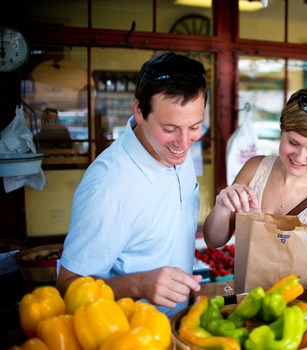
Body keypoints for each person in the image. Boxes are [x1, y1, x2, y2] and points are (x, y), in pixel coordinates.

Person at [56, 52, 207, 318]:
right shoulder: (107, 188)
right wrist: (138, 284)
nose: (184, 143)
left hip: (175, 327)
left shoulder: (174, 152)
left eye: (195, 126)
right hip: (126, 335)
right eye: (170, 129)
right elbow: (67, 289)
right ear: (139, 111)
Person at [204, 86, 307, 295]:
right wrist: (221, 206)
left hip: (298, 322)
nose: (300, 157)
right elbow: (213, 240)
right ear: (281, 131)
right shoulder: (254, 169)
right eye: (293, 142)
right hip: (243, 314)